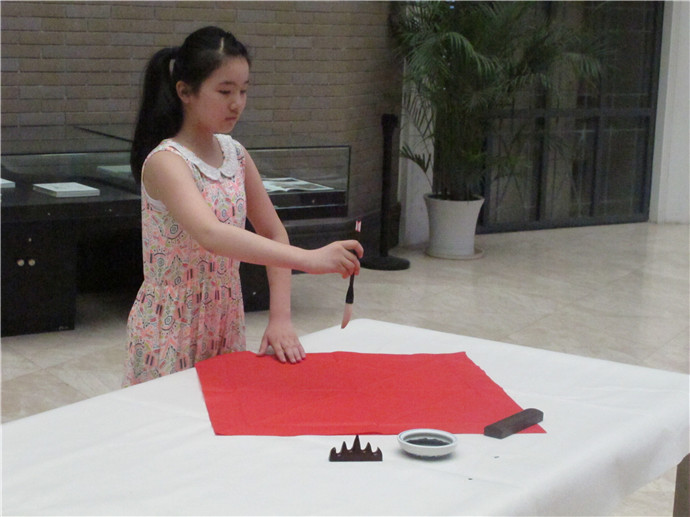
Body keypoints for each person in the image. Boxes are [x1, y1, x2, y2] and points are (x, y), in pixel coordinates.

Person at [123, 26, 362, 386]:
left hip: (225, 317)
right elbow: (211, 234)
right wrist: (309, 259)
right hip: (170, 324)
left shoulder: (235, 154)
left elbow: (272, 230)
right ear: (185, 92)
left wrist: (280, 317)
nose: (237, 103)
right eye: (225, 91)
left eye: (244, 90)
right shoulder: (166, 161)